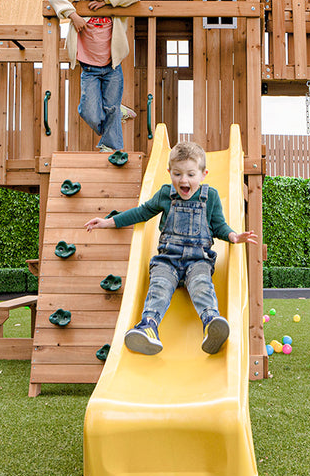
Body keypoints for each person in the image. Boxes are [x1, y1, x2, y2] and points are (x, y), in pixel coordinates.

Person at [84, 140, 257, 355]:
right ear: (169, 172)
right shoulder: (166, 194)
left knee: (202, 286)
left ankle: (212, 324)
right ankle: (148, 328)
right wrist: (109, 221)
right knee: (159, 287)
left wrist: (234, 236)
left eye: (191, 175)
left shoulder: (210, 196)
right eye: (177, 174)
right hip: (168, 261)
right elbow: (141, 212)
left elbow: (218, 226)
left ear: (203, 175)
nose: (183, 180)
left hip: (198, 260)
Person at [48, 0, 139, 153]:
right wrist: (73, 16)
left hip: (112, 67)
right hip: (89, 68)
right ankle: (116, 115)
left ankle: (111, 147)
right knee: (89, 111)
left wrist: (106, 1)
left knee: (111, 109)